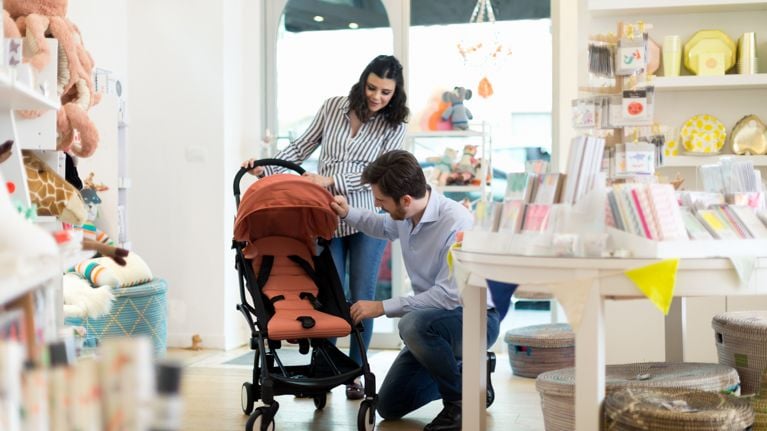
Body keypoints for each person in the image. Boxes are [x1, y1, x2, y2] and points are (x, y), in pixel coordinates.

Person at [242, 54, 409, 400]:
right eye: (372, 87)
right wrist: (267, 169)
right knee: (326, 294)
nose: (378, 96)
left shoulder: (395, 127)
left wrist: (331, 179)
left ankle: (355, 373)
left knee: (361, 297)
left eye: (386, 92)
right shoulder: (334, 107)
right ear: (363, 82)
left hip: (364, 219)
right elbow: (302, 146)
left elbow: (378, 176)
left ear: (396, 93)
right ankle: (324, 368)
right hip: (325, 217)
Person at [329, 150, 500, 431]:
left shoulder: (456, 222)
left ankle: (459, 405)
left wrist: (382, 306)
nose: (378, 206)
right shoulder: (406, 215)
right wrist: (348, 212)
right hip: (433, 322)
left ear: (405, 200)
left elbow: (448, 296)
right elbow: (381, 225)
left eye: (381, 202)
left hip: (475, 320)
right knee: (389, 406)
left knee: (411, 324)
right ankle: (472, 377)